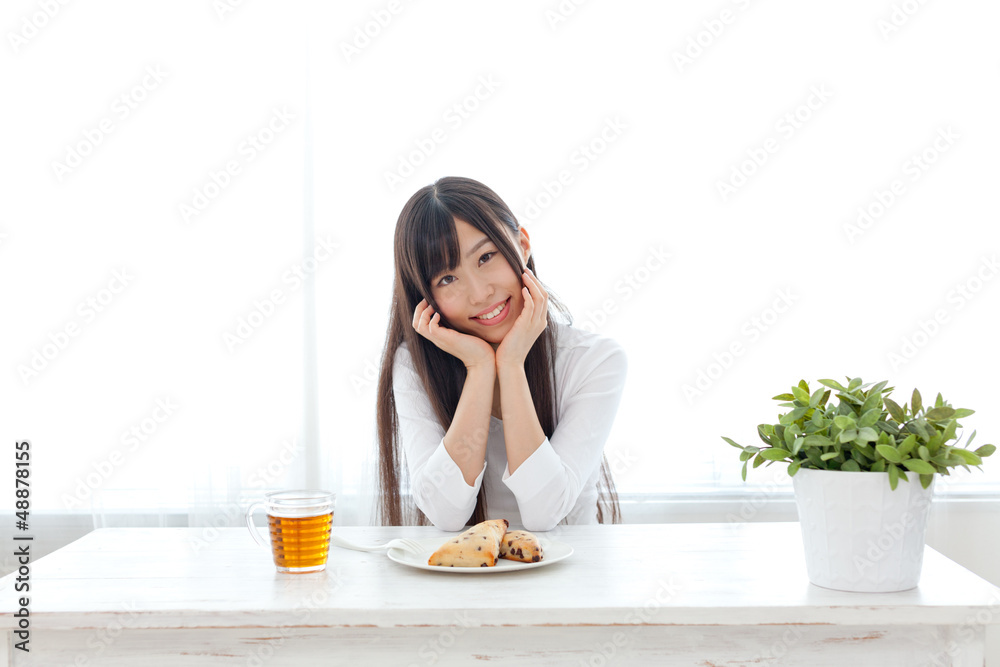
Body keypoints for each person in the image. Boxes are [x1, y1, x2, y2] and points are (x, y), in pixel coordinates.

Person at [375, 176, 627, 531]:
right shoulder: (415, 367)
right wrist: (479, 368)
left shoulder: (595, 361)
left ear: (522, 244)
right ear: (424, 298)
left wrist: (510, 365)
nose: (479, 293)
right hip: (463, 578)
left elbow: (545, 513)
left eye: (487, 256)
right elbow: (446, 514)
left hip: (570, 581)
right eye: (447, 279)